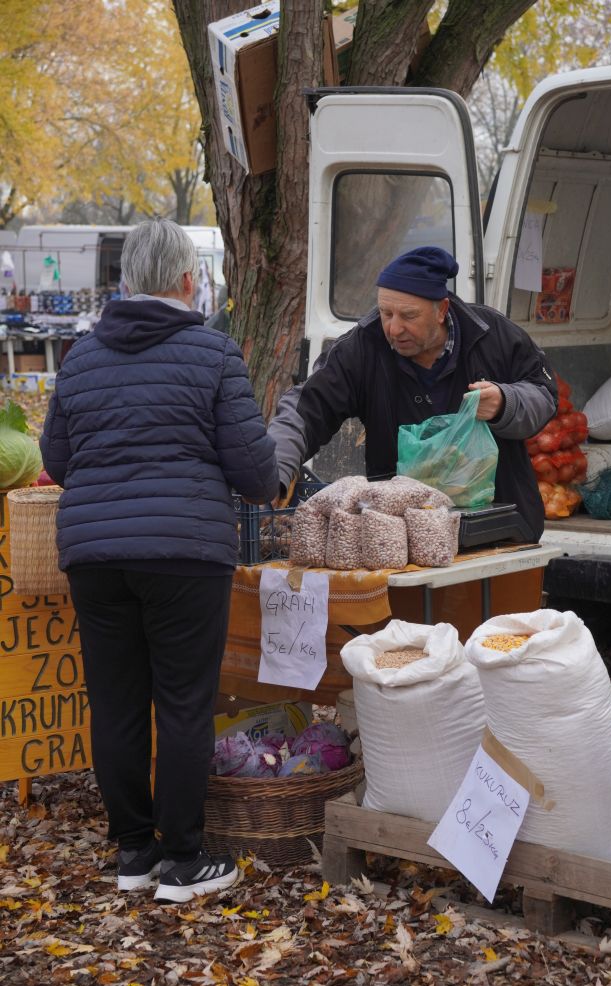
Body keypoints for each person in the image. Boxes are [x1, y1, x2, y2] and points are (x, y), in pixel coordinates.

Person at [40, 219, 279, 903]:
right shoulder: (212, 354)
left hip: (93, 556)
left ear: (127, 283)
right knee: (182, 703)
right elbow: (255, 472)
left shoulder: (80, 358)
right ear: (185, 280)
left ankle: (133, 853)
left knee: (115, 704)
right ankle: (183, 859)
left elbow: (57, 461)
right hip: (184, 552)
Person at [269, 246, 557, 542]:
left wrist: (505, 402)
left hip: (499, 529)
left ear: (442, 310)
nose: (394, 329)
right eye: (385, 313)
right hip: (401, 537)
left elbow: (544, 393)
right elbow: (306, 408)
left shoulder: (492, 334)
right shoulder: (362, 347)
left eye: (408, 316)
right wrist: (271, 472)